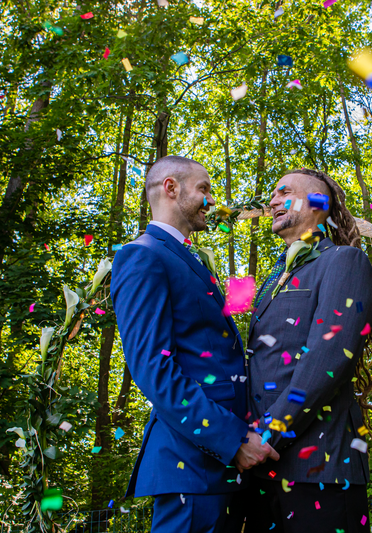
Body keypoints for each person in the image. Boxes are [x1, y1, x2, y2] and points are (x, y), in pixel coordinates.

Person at [110, 155, 280, 533]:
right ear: (171, 188)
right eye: (203, 189)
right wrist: (233, 440)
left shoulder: (188, 259)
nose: (210, 200)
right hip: (190, 465)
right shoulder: (142, 255)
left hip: (221, 468)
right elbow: (153, 369)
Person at [240, 168, 372, 533]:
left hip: (320, 469)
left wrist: (265, 436)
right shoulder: (272, 279)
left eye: (283, 191)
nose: (271, 201)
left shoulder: (344, 262)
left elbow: (327, 361)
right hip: (262, 471)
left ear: (319, 203)